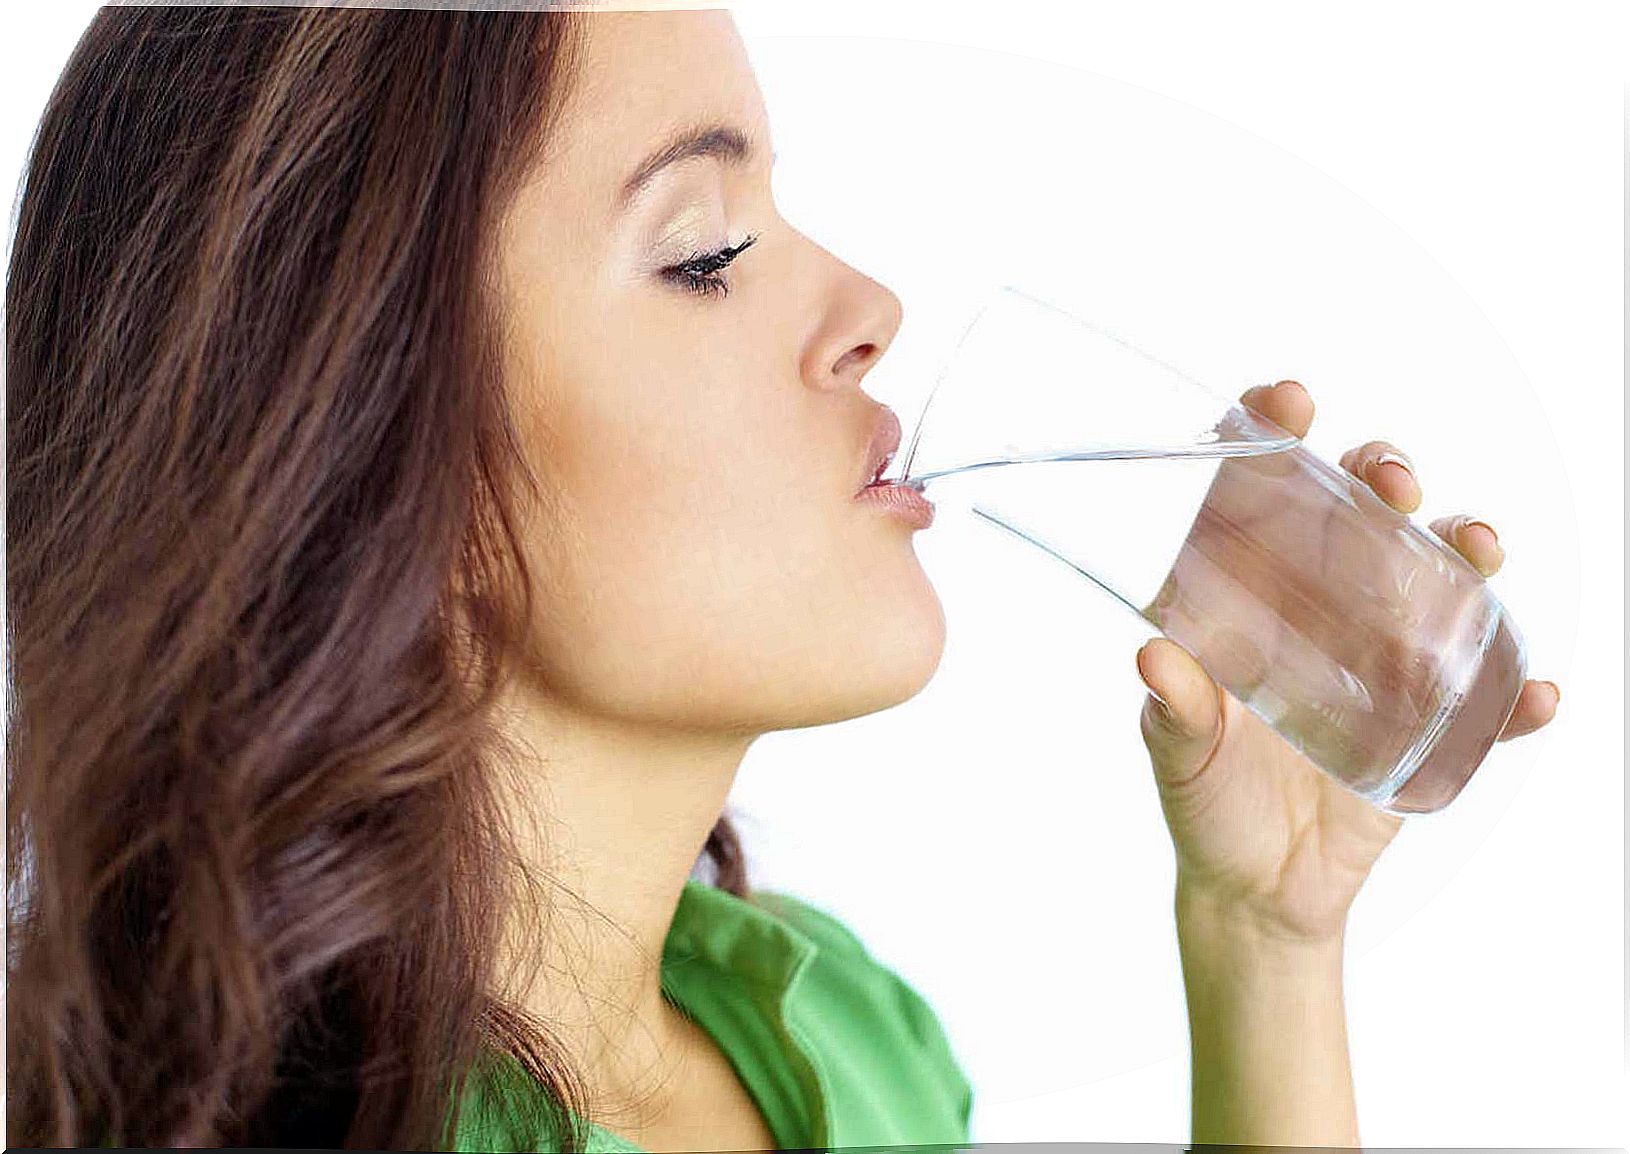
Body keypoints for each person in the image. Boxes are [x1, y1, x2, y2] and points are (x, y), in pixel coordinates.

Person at [4, 7, 1561, 1152]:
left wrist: (1266, 951)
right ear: (363, 452)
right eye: (703, 253)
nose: (870, 304)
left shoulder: (836, 1029)